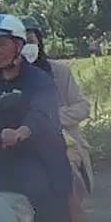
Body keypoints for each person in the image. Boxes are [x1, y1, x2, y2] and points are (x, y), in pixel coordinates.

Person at [0, 15, 73, 222]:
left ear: (18, 45)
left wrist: (22, 131)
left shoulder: (38, 79)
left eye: (1, 44)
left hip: (34, 152)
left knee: (37, 187)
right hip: (1, 152)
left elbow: (41, 113)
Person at [22, 17, 94, 194]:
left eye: (30, 41)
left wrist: (50, 118)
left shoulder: (59, 72)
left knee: (69, 181)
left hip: (64, 145)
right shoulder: (5, 80)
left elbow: (82, 107)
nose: (26, 47)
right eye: (21, 43)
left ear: (39, 41)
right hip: (22, 150)